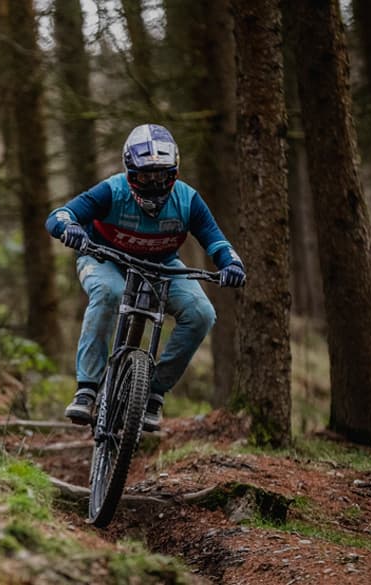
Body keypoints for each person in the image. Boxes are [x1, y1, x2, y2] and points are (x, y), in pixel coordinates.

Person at [45, 124, 246, 432]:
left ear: (174, 173)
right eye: (144, 177)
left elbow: (215, 240)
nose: (153, 184)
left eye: (161, 176)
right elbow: (59, 215)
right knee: (109, 293)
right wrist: (69, 228)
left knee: (201, 313)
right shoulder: (112, 191)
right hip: (104, 259)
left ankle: (153, 392)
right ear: (129, 173)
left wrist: (231, 264)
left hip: (162, 266)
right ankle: (87, 388)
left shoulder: (188, 200)